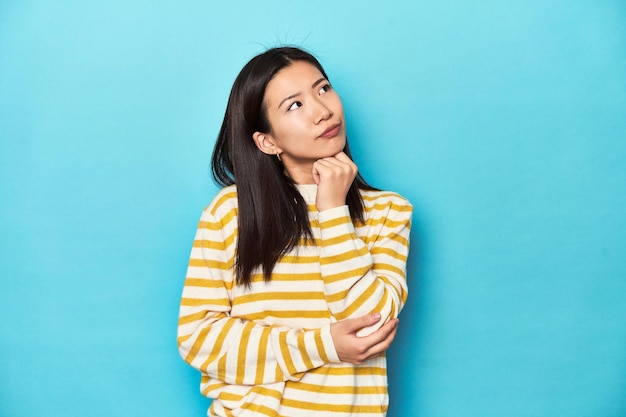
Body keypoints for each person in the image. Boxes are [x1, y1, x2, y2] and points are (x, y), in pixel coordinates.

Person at [177, 46, 413, 417]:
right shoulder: (230, 213)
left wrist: (333, 211)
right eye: (295, 105)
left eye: (323, 89)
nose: (323, 110)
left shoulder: (388, 212)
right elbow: (198, 339)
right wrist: (323, 346)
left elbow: (371, 328)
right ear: (267, 141)